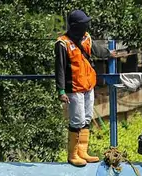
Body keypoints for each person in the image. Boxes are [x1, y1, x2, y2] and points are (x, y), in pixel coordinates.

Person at [55, 9, 113, 167]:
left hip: (88, 84)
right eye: (83, 24)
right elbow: (59, 69)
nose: (86, 26)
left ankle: (83, 151)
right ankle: (72, 155)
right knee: (77, 120)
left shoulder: (86, 37)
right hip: (74, 88)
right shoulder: (63, 43)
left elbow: (96, 50)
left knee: (87, 118)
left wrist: (109, 53)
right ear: (75, 26)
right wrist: (61, 91)